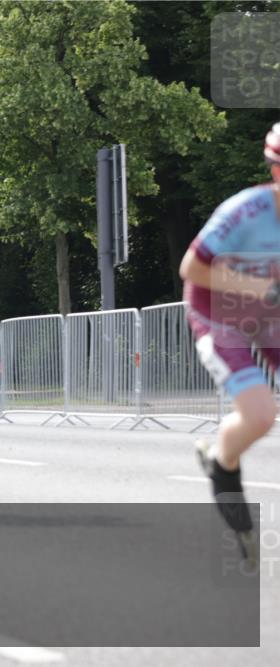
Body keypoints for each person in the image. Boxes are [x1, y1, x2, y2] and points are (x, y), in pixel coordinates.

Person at [179, 121, 280, 566]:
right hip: (220, 317)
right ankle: (222, 457)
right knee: (260, 414)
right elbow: (191, 268)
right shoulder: (246, 210)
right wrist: (261, 290)